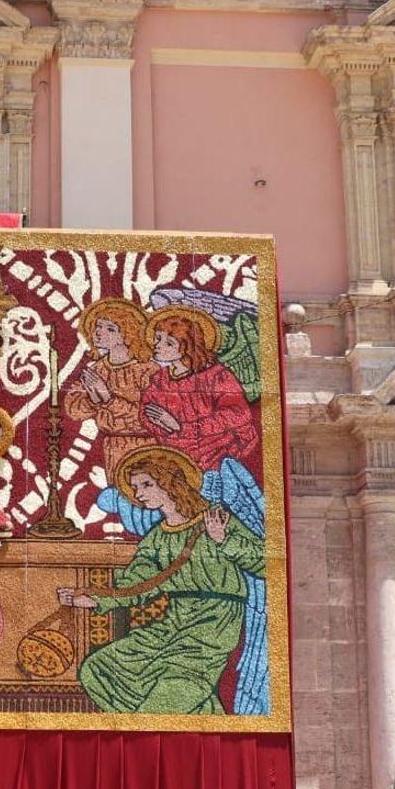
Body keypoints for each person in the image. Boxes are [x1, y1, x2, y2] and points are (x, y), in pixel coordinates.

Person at [56, 446, 263, 714]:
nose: (138, 494)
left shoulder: (216, 519)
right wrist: (94, 599)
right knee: (98, 669)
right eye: (135, 487)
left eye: (146, 484)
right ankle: (206, 716)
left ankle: (157, 723)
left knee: (174, 689)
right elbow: (137, 582)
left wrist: (224, 540)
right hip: (173, 620)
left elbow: (263, 562)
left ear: (169, 482)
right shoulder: (157, 537)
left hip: (214, 622)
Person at [139, 305, 260, 471]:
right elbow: (145, 411)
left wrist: (181, 427)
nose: (157, 345)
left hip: (216, 455)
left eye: (169, 343)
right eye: (158, 338)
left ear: (187, 346)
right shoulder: (160, 379)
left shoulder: (216, 376)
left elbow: (238, 414)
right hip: (175, 456)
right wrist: (164, 426)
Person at [63, 297, 160, 475]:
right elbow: (73, 408)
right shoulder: (97, 370)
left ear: (128, 334)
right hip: (112, 446)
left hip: (146, 445)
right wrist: (93, 400)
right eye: (97, 326)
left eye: (110, 329)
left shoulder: (148, 371)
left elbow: (150, 417)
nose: (99, 332)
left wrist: (108, 400)